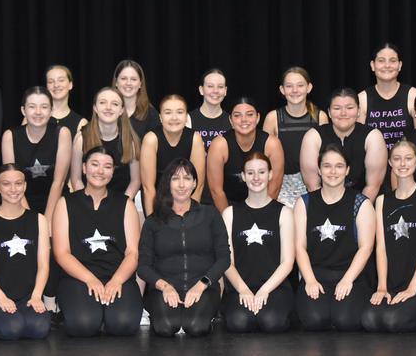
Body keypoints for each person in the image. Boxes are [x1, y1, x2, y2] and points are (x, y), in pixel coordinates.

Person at [53, 146, 142, 336]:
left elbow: (133, 252)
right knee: (83, 324)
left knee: (123, 324)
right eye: (94, 164)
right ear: (84, 168)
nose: (100, 171)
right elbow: (61, 253)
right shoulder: (65, 203)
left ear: (113, 172)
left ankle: (106, 313)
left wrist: (116, 280)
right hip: (79, 277)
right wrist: (90, 279)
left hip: (118, 276)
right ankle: (89, 312)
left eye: (107, 166)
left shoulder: (125, 204)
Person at [138, 158, 230, 337]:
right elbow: (143, 266)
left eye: (187, 178)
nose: (181, 185)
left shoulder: (210, 214)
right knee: (165, 327)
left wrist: (201, 285)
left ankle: (202, 316)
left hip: (202, 288)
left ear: (195, 183)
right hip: (164, 288)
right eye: (175, 178)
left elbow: (224, 258)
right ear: (167, 183)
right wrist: (164, 286)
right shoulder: (153, 221)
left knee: (196, 327)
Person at [294, 144, 375, 331]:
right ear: (319, 170)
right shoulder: (304, 203)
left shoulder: (360, 203)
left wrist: (347, 280)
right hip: (316, 275)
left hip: (350, 275)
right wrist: (309, 280)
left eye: (339, 166)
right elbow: (299, 247)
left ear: (347, 170)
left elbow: (366, 248)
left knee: (345, 320)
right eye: (327, 166)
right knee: (314, 320)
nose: (333, 171)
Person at [361, 141, 416, 332]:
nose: (402, 164)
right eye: (397, 159)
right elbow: (381, 247)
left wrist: (412, 288)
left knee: (392, 321)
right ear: (390, 162)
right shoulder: (381, 200)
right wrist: (382, 286)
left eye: (408, 158)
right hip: (394, 282)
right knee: (369, 319)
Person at [0, 164, 50, 340]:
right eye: (7, 184)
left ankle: (19, 317)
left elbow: (44, 265)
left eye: (18, 183)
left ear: (24, 186)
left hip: (27, 297)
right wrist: (1, 298)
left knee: (40, 328)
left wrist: (37, 296)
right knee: (12, 329)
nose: (13, 189)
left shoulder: (38, 220)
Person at [221, 152, 294, 333]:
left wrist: (264, 291)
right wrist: (243, 290)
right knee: (238, 322)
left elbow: (287, 262)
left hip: (274, 287)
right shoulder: (230, 214)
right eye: (250, 173)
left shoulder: (284, 213)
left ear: (270, 174)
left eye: (261, 172)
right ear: (243, 177)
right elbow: (226, 261)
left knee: (271, 321)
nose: (256, 178)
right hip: (240, 287)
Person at [300, 88, 387, 202]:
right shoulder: (313, 136)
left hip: (362, 205)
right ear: (329, 112)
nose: (343, 113)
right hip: (323, 205)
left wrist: (356, 212)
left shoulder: (373, 136)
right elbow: (313, 185)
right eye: (337, 108)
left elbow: (372, 186)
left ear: (358, 111)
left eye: (349, 108)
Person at [1, 86, 72, 224]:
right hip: (19, 201)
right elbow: (12, 182)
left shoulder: (62, 133)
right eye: (32, 107)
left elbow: (59, 182)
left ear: (51, 111)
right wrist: (30, 218)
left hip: (56, 202)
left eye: (44, 107)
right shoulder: (10, 136)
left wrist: (47, 220)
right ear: (23, 110)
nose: (38, 112)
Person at [263, 66, 328, 207]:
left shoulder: (320, 117)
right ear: (282, 90)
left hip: (313, 184)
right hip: (280, 185)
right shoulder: (272, 118)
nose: (295, 90)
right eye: (289, 86)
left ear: (309, 87)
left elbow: (326, 155)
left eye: (300, 85)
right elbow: (264, 158)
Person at [207, 97, 285, 213]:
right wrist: (230, 219)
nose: (244, 120)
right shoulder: (219, 145)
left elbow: (275, 186)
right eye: (237, 115)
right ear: (231, 120)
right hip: (229, 206)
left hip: (263, 205)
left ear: (258, 118)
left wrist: (261, 214)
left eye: (249, 115)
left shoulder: (272, 144)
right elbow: (216, 190)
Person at [140, 95, 205, 216]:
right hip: (158, 201)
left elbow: (198, 185)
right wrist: (152, 221)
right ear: (160, 117)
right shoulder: (151, 139)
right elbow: (148, 188)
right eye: (168, 112)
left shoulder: (195, 138)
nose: (174, 118)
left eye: (180, 112)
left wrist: (189, 218)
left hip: (186, 200)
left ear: (186, 117)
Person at [71, 87, 140, 198]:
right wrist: (87, 203)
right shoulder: (81, 139)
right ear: (95, 108)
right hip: (88, 202)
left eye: (115, 104)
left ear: (121, 110)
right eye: (103, 103)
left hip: (120, 202)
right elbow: (76, 179)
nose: (108, 108)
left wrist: (122, 205)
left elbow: (135, 181)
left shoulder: (130, 141)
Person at [357, 42, 416, 149]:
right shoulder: (362, 99)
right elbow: (359, 142)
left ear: (399, 65)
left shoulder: (413, 96)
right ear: (373, 65)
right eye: (381, 61)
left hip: (407, 162)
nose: (387, 65)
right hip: (374, 163)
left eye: (393, 61)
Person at [187, 68, 232, 205]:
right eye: (210, 86)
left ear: (225, 91)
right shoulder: (188, 120)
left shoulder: (232, 121)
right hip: (194, 195)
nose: (215, 91)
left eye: (220, 87)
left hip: (223, 195)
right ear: (201, 90)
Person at [111, 59, 160, 140]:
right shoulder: (106, 111)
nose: (128, 83)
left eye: (133, 79)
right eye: (123, 78)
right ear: (116, 82)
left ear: (140, 83)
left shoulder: (152, 115)